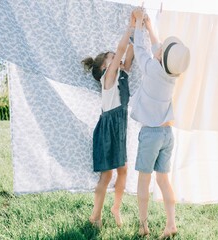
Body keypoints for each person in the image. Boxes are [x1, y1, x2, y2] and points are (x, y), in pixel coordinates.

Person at [130, 7, 190, 238]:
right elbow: (157, 49)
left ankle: (143, 225)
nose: (160, 46)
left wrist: (137, 23)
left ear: (160, 58)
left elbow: (140, 49)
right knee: (163, 180)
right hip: (167, 135)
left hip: (151, 134)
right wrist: (150, 26)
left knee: (144, 181)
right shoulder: (172, 73)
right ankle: (171, 224)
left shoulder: (152, 69)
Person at [81, 13, 135, 228]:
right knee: (107, 174)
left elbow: (128, 54)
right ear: (105, 67)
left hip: (120, 126)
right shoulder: (108, 77)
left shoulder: (122, 73)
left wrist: (138, 29)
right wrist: (130, 27)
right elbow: (122, 49)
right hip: (108, 127)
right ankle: (95, 216)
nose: (118, 59)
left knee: (123, 171)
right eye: (113, 58)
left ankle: (116, 207)